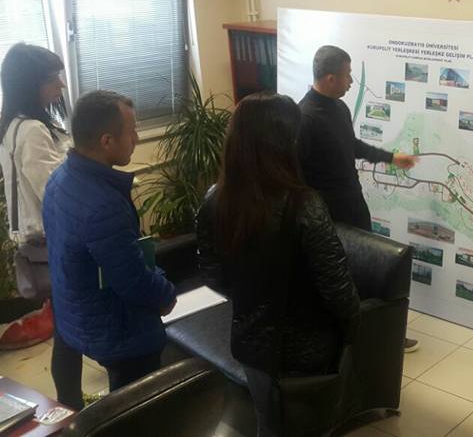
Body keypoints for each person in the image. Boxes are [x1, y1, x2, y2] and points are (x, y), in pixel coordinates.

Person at [198, 93, 360, 437]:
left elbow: (214, 277)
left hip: (252, 343)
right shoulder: (305, 204)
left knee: (268, 422)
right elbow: (340, 292)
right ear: (284, 143)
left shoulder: (215, 198)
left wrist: (254, 301)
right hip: (307, 349)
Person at [43, 90, 176, 391]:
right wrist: (167, 292)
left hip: (77, 315)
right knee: (136, 405)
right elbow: (132, 280)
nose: (137, 139)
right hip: (118, 330)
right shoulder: (104, 205)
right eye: (132, 132)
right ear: (107, 141)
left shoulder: (59, 179)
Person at [298, 44, 419, 352]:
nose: (351, 81)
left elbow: (351, 146)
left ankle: (381, 334)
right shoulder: (304, 117)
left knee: (370, 272)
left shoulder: (339, 108)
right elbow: (297, 175)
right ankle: (348, 336)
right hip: (327, 215)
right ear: (330, 78)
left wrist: (391, 158)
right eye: (347, 75)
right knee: (337, 276)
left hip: (353, 204)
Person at [0, 43, 83, 410]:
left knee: (66, 328)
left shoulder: (12, 125)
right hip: (53, 242)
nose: (60, 86)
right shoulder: (32, 130)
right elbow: (56, 191)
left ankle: (71, 404)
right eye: (52, 79)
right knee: (69, 332)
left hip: (40, 243)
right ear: (30, 83)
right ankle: (71, 407)